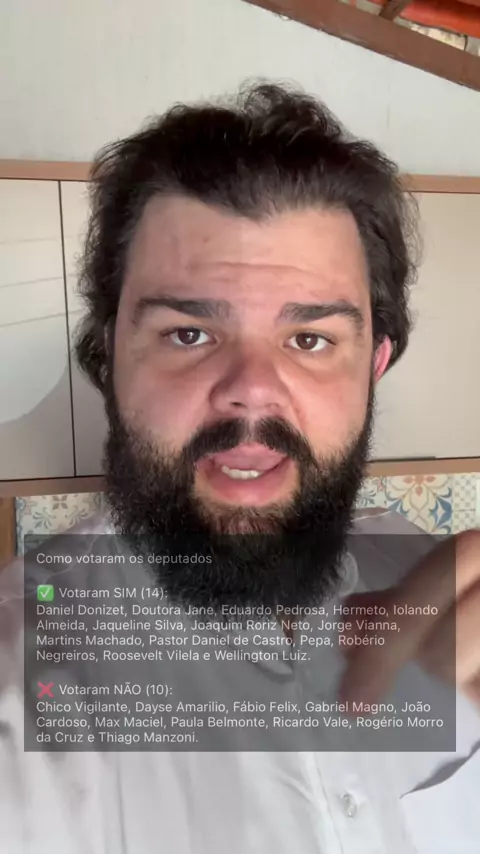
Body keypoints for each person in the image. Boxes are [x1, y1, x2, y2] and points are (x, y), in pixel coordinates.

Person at [1, 81, 480, 853]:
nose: (252, 390)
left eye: (311, 340)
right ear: (109, 357)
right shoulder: (22, 679)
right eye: (189, 334)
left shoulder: (440, 584)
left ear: (374, 366)